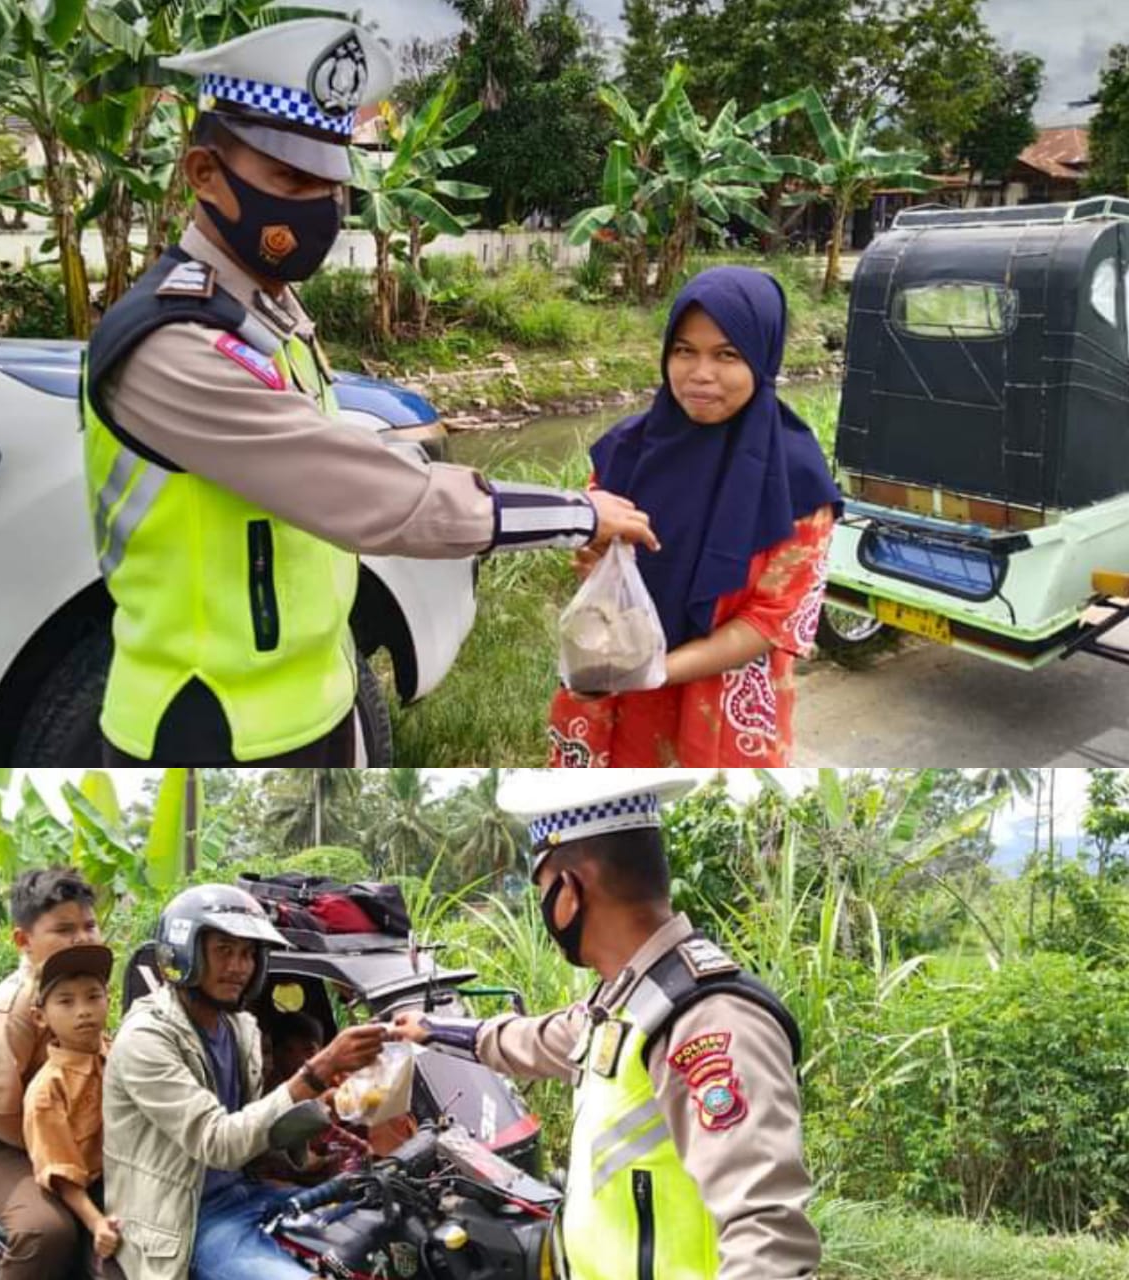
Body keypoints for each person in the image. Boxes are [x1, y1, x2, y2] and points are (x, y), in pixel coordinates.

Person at [83, 15, 658, 766]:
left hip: (314, 699)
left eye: (332, 181)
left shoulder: (268, 308)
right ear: (203, 174)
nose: (320, 204)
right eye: (289, 178)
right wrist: (575, 513)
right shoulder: (172, 345)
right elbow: (378, 501)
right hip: (208, 723)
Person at [392, 770, 821, 1280]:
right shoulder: (627, 1000)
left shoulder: (706, 1019)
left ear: (568, 892)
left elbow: (767, 1236)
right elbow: (531, 1039)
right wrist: (432, 1029)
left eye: (543, 889)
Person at [547, 267, 841, 767]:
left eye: (726, 355)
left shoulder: (798, 482)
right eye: (684, 350)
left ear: (762, 358)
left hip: (718, 710)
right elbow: (595, 564)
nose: (700, 373)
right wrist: (593, 559)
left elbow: (768, 623)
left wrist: (654, 670)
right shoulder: (625, 451)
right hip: (612, 687)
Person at [102, 884, 389, 1280]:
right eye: (224, 951)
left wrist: (326, 1107)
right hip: (186, 1220)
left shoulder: (240, 1027)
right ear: (184, 951)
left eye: (248, 954)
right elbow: (219, 1142)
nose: (239, 966)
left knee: (387, 1234)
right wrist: (315, 1071)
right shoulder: (146, 1040)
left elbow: (257, 1134)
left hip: (250, 1194)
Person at [0, 868, 103, 1280]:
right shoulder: (9, 1009)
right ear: (23, 940)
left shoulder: (91, 991)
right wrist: (61, 1156)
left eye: (89, 925)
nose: (82, 938)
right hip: (0, 1142)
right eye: (64, 929)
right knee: (45, 1230)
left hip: (72, 1138)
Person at [23, 943, 121, 1273]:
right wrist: (97, 1225)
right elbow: (63, 1174)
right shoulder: (47, 1090)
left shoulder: (124, 1054)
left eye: (93, 996)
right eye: (66, 1001)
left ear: (109, 999)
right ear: (40, 1016)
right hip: (86, 1197)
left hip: (131, 1182)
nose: (83, 1011)